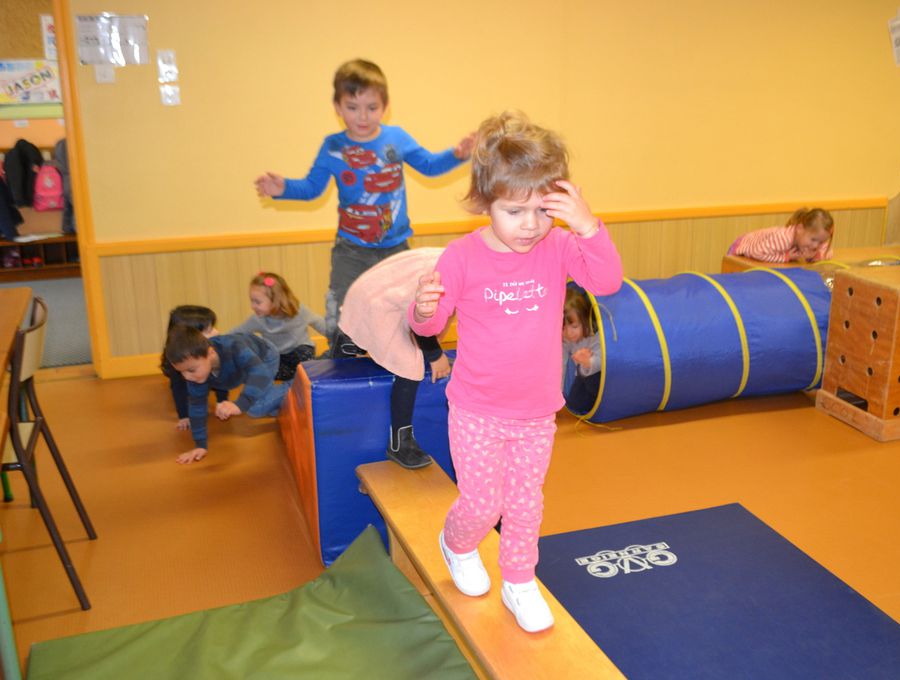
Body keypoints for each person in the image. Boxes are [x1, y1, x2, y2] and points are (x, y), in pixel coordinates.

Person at [410, 111, 623, 633]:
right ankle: (456, 543)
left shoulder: (557, 247)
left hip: (536, 410)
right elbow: (432, 323)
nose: (529, 225)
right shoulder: (462, 257)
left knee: (526, 503)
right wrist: (423, 308)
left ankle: (519, 579)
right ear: (485, 204)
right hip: (477, 408)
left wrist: (587, 226)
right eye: (513, 211)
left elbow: (608, 281)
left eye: (541, 210)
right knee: (483, 501)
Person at [254, 58, 475, 355]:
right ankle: (343, 354)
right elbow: (311, 188)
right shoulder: (334, 146)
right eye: (352, 107)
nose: (363, 117)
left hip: (394, 246)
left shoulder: (396, 138)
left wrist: (457, 154)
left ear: (385, 106)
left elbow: (429, 166)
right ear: (337, 107)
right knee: (342, 305)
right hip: (351, 248)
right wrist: (283, 189)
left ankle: (410, 354)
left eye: (372, 108)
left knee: (408, 304)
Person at [339, 247, 452, 469]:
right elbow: (424, 323)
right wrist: (435, 355)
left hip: (370, 292)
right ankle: (400, 443)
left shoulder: (453, 256)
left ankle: (348, 340)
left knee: (379, 335)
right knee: (409, 365)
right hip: (379, 304)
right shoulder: (450, 273)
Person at [165, 326, 291, 465]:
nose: (187, 377)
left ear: (210, 353)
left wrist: (239, 404)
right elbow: (197, 407)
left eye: (191, 370)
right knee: (265, 401)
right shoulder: (196, 374)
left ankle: (292, 384)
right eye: (181, 372)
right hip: (242, 370)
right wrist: (200, 446)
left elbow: (259, 373)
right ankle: (278, 403)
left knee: (256, 408)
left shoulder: (234, 347)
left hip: (264, 356)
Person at [230, 272, 327, 381]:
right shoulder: (258, 319)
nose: (252, 306)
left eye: (257, 302)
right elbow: (237, 332)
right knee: (262, 367)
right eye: (252, 301)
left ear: (276, 300)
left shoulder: (298, 311)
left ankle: (303, 372)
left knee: (304, 354)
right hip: (278, 356)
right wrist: (216, 343)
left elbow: (319, 323)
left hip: (299, 352)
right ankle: (293, 375)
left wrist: (339, 337)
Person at [160, 305, 229, 431]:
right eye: (209, 330)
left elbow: (222, 376)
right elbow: (178, 389)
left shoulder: (215, 348)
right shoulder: (178, 360)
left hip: (208, 373)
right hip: (187, 379)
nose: (217, 332)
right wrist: (184, 415)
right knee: (188, 385)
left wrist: (222, 401)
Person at [727, 207, 834, 263]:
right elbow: (756, 252)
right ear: (799, 229)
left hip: (760, 251)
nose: (816, 245)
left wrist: (814, 256)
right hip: (741, 249)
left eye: (821, 241)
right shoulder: (783, 239)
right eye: (813, 240)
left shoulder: (813, 242)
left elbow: (827, 252)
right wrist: (784, 257)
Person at [562, 287, 602, 414]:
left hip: (600, 375)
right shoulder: (565, 338)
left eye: (574, 326)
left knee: (593, 381)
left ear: (584, 320)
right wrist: (557, 394)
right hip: (582, 375)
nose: (569, 333)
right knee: (574, 405)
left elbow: (603, 361)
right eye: (563, 328)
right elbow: (559, 365)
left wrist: (588, 362)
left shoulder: (596, 335)